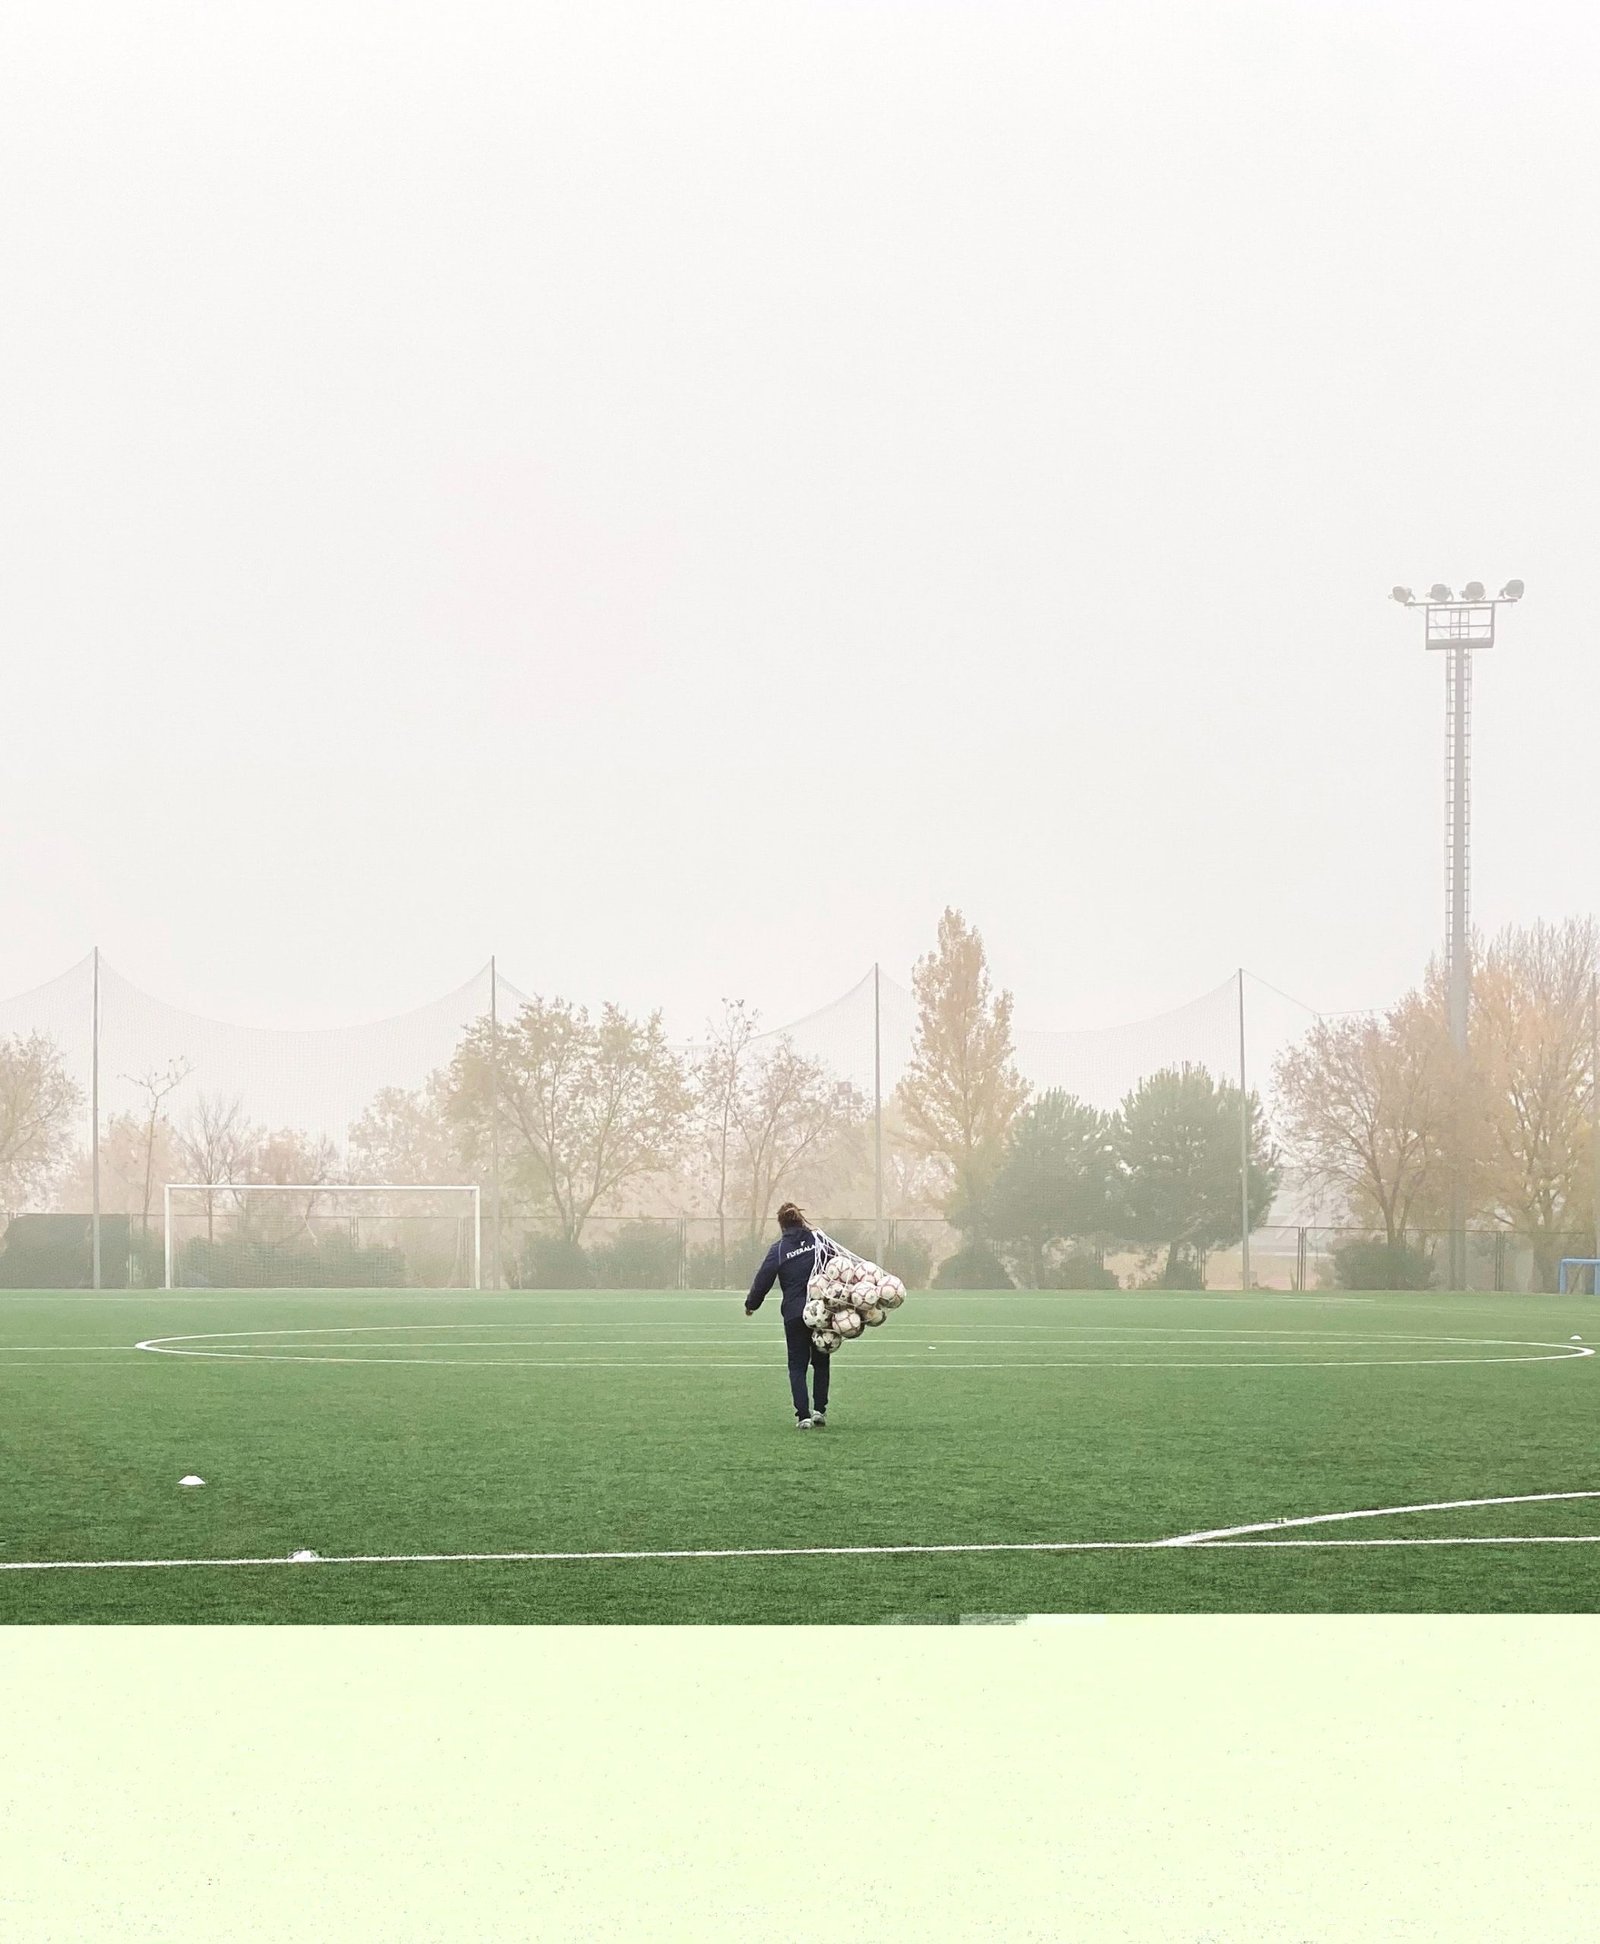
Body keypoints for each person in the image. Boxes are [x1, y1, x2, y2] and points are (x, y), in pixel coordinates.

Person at [744, 1201, 832, 1428]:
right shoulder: (819, 1241)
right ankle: (819, 1411)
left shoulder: (780, 1249)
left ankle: (803, 1416)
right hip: (820, 1311)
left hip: (795, 1313)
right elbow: (838, 1265)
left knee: (797, 1365)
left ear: (781, 1225)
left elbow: (764, 1278)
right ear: (801, 1220)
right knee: (821, 1361)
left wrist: (752, 1304)